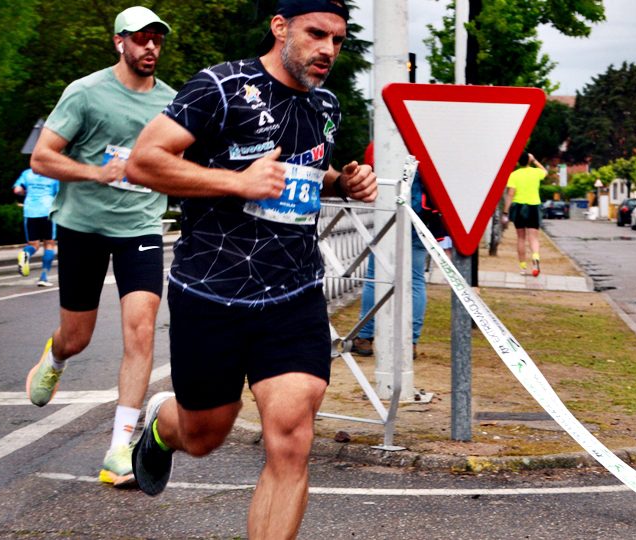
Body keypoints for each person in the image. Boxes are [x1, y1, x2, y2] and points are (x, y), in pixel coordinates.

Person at [125, 1, 377, 536]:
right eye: (316, 34)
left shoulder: (326, 104)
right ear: (280, 27)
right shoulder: (221, 86)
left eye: (338, 40)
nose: (328, 50)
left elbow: (307, 171)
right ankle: (162, 425)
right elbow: (144, 161)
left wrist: (341, 183)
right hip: (211, 293)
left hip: (294, 293)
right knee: (205, 434)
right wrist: (237, 181)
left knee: (292, 439)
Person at [24, 6, 176, 488]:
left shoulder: (173, 102)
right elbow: (43, 157)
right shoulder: (86, 93)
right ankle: (56, 356)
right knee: (79, 335)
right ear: (119, 42)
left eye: (157, 38)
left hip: (140, 228)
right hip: (82, 226)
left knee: (142, 331)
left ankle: (119, 450)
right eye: (140, 38)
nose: (150, 46)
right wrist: (96, 172)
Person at [351, 144, 447, 357]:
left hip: (387, 214)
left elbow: (369, 172)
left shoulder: (381, 142)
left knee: (375, 276)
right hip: (421, 218)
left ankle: (365, 336)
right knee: (415, 280)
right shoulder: (425, 140)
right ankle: (410, 341)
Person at [13, 168, 60, 287]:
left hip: (30, 211)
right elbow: (59, 194)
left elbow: (17, 190)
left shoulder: (27, 173)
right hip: (47, 210)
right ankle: (43, 277)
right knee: (49, 244)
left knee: (33, 244)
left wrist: (25, 192)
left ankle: (26, 254)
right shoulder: (53, 173)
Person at [503, 152, 547, 276]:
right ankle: (536, 257)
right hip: (533, 206)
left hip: (519, 207)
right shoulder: (535, 172)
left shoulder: (514, 175)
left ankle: (523, 267)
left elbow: (510, 193)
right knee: (533, 237)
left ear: (518, 162)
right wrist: (534, 160)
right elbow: (545, 171)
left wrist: (505, 211)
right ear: (528, 160)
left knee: (521, 238)